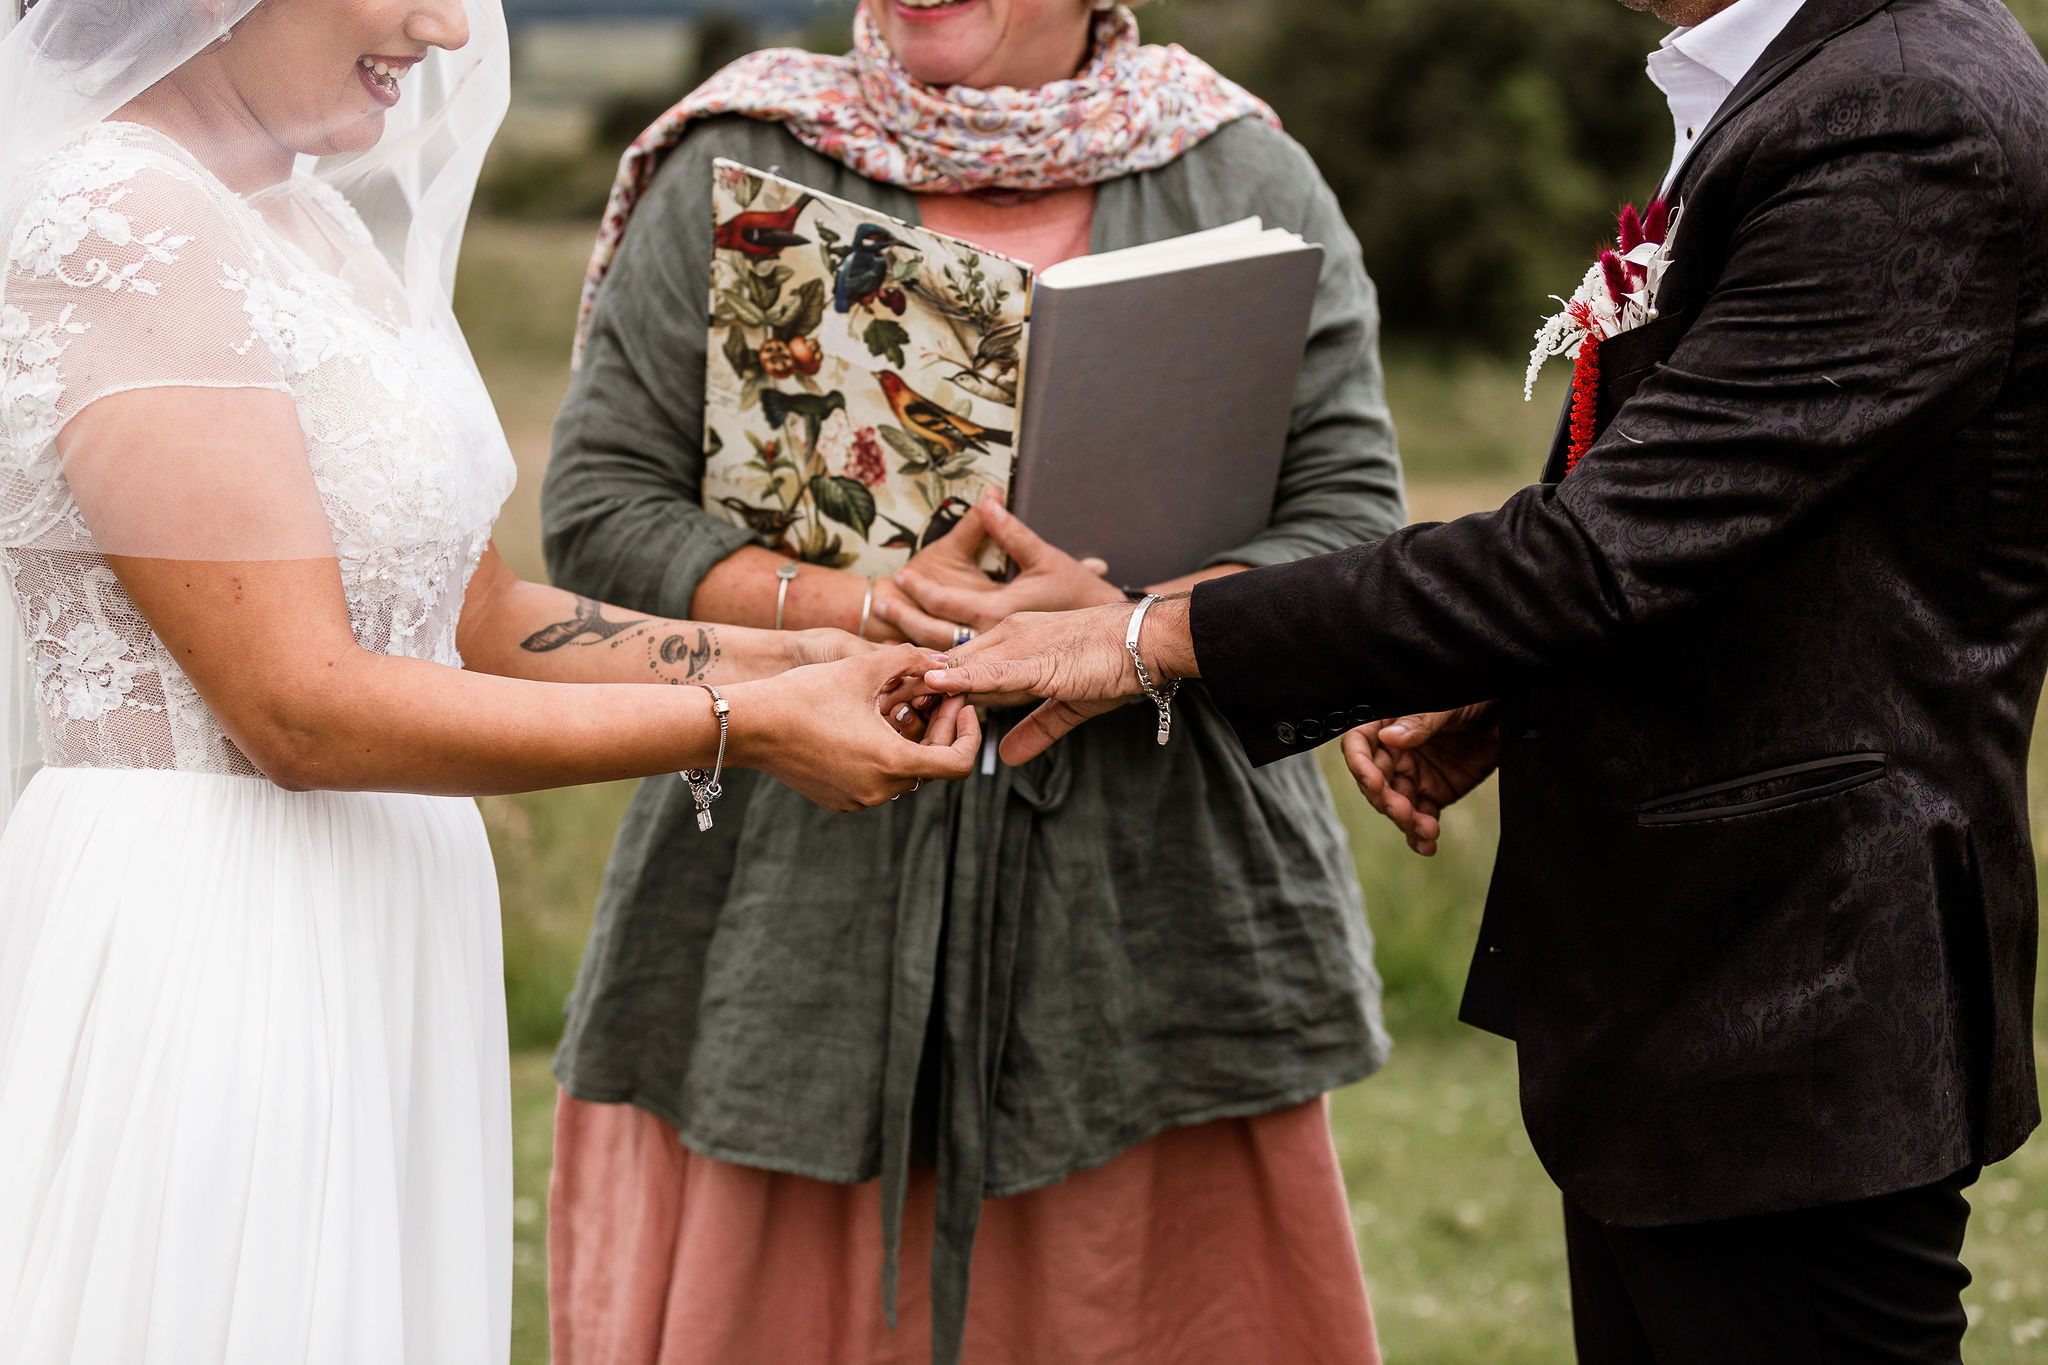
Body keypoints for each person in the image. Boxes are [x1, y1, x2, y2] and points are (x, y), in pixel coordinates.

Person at [928, 0, 2048, 1359]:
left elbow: (1596, 552)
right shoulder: (1812, 77)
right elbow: (1743, 526)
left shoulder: (1909, 110)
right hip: (1709, 991)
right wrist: (1522, 694)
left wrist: (1143, 636)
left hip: (1799, 985)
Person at [0, 1, 979, 1360]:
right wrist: (741, 725)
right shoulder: (124, 222)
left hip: (381, 920)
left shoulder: (307, 222)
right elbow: (296, 702)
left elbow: (475, 616)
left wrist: (819, 650)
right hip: (221, 927)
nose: (448, 26)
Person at [539, 2, 1406, 1362]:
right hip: (791, 898)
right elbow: (595, 507)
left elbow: (1353, 522)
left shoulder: (1243, 172)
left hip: (1153, 913)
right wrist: (862, 606)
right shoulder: (744, 151)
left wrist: (1135, 626)